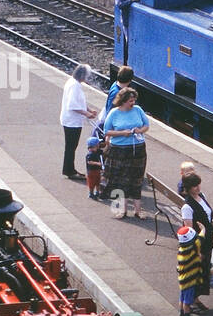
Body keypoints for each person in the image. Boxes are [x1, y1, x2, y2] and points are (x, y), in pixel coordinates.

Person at [102, 88, 150, 219]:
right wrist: (123, 133)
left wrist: (139, 130)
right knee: (122, 180)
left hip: (138, 149)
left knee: (137, 178)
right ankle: (122, 210)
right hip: (119, 150)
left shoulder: (138, 110)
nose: (133, 102)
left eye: (134, 100)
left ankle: (138, 210)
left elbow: (146, 125)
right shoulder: (114, 113)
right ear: (123, 101)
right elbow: (107, 131)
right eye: (130, 100)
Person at [179, 172, 213, 311]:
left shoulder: (202, 197)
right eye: (194, 185)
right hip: (199, 244)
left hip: (208, 239)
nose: (197, 187)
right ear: (188, 187)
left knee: (203, 271)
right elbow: (189, 230)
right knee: (196, 273)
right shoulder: (187, 207)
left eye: (198, 184)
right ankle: (190, 303)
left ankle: (195, 298)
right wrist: (196, 250)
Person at [60, 63, 98, 179]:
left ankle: (69, 169)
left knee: (71, 146)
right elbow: (73, 105)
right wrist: (87, 114)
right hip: (72, 122)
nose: (86, 79)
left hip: (70, 120)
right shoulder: (75, 86)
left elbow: (78, 101)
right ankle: (69, 170)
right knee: (71, 146)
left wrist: (89, 109)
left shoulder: (72, 82)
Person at [176, 226, 207, 316]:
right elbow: (201, 239)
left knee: (182, 298)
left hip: (182, 279)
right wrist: (203, 229)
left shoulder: (181, 249)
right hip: (190, 280)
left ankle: (181, 315)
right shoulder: (193, 247)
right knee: (187, 302)